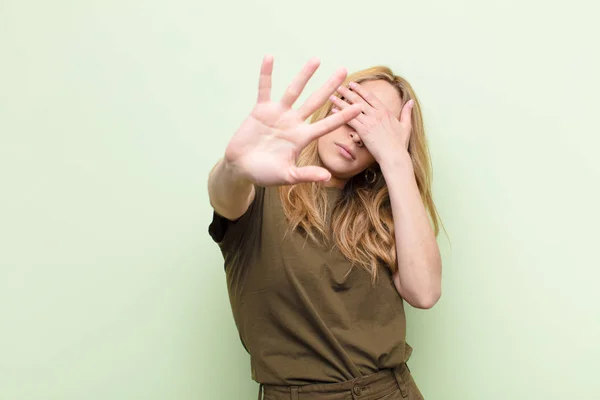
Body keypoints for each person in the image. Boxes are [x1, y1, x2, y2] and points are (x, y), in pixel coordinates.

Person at [208, 55, 443, 400]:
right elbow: (224, 197)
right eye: (353, 111)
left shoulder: (386, 211)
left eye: (377, 127)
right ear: (331, 107)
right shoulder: (260, 187)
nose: (358, 134)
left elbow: (424, 292)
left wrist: (397, 163)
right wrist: (234, 166)